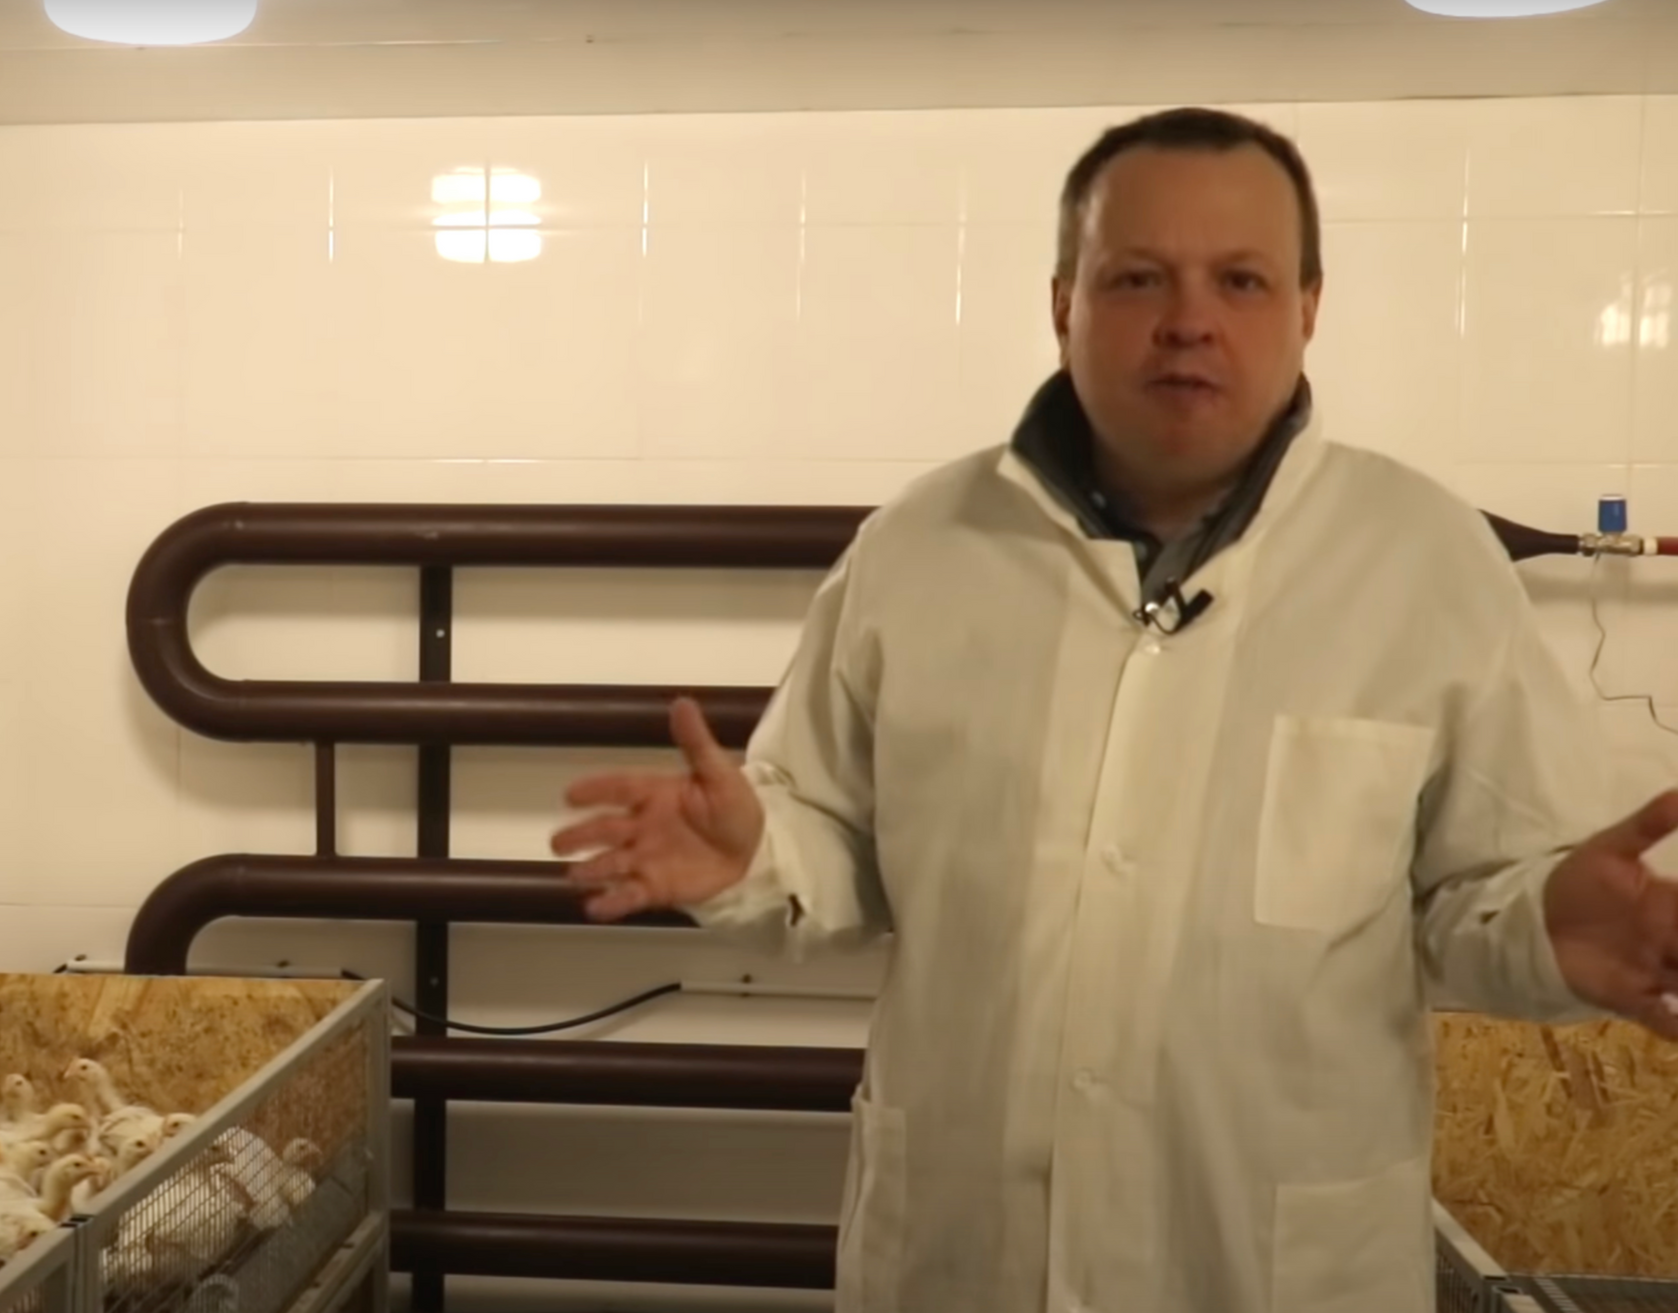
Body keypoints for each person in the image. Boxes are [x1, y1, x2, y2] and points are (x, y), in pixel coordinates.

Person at [550, 106, 1678, 1313]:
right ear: (1061, 304)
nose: (1187, 318)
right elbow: (831, 835)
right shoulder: (918, 551)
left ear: (1306, 307)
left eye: (1238, 279)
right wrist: (754, 852)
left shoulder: (1425, 562)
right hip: (963, 1256)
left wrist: (1544, 922)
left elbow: (1481, 895)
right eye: (1136, 276)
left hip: (1271, 1268)